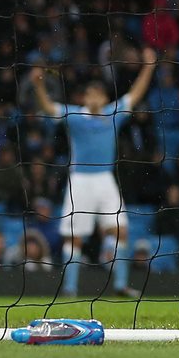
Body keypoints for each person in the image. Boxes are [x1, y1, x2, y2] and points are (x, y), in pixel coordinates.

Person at [30, 46, 158, 298]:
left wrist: (149, 68)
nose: (95, 98)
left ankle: (120, 285)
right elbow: (48, 107)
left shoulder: (113, 114)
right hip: (80, 181)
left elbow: (135, 93)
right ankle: (69, 288)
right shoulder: (75, 116)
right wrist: (38, 86)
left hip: (105, 179)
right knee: (74, 238)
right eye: (91, 94)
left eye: (99, 94)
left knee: (121, 230)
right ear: (85, 98)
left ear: (104, 97)